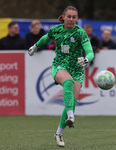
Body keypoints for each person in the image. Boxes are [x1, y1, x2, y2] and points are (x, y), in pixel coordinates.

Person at [28, 6, 94, 147]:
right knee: (68, 82)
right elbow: (46, 38)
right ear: (63, 17)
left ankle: (58, 134)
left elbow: (90, 51)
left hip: (77, 69)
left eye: (74, 17)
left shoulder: (80, 33)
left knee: (73, 100)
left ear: (77, 18)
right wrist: (35, 46)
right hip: (60, 65)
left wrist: (87, 59)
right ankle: (71, 116)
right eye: (69, 16)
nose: (71, 19)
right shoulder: (56, 30)